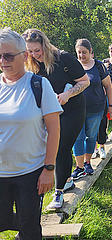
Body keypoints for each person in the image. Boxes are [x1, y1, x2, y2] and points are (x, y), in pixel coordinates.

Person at [0, 27, 62, 240]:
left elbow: (54, 130)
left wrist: (49, 168)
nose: (2, 61)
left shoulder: (38, 85)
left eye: (8, 55)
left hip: (30, 173)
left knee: (29, 228)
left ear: (24, 56)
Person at [22, 29, 90, 209]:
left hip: (72, 110)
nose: (35, 55)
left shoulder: (63, 58)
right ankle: (66, 180)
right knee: (49, 148)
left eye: (38, 50)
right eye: (30, 51)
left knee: (61, 148)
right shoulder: (30, 64)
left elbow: (84, 81)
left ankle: (58, 193)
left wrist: (67, 94)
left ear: (45, 45)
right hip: (50, 112)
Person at [71, 39, 112, 180]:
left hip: (96, 109)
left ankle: (88, 163)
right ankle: (79, 167)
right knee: (78, 137)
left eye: (84, 52)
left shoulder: (99, 66)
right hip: (76, 110)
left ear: (91, 52)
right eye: (79, 52)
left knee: (91, 136)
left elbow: (108, 86)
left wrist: (111, 106)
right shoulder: (73, 66)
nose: (82, 55)